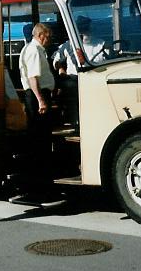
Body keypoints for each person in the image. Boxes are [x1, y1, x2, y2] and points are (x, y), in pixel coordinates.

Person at [12, 22, 59, 202]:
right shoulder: (35, 51)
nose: (49, 40)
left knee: (39, 140)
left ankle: (38, 186)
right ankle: (39, 187)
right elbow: (33, 78)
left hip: (38, 95)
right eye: (48, 37)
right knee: (40, 141)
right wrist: (41, 100)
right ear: (41, 35)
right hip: (37, 96)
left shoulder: (33, 49)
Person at [52, 16, 106, 129]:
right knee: (71, 92)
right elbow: (56, 60)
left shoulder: (101, 44)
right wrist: (61, 69)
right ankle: (76, 124)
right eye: (81, 29)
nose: (84, 32)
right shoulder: (68, 45)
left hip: (96, 79)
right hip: (74, 80)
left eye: (86, 29)